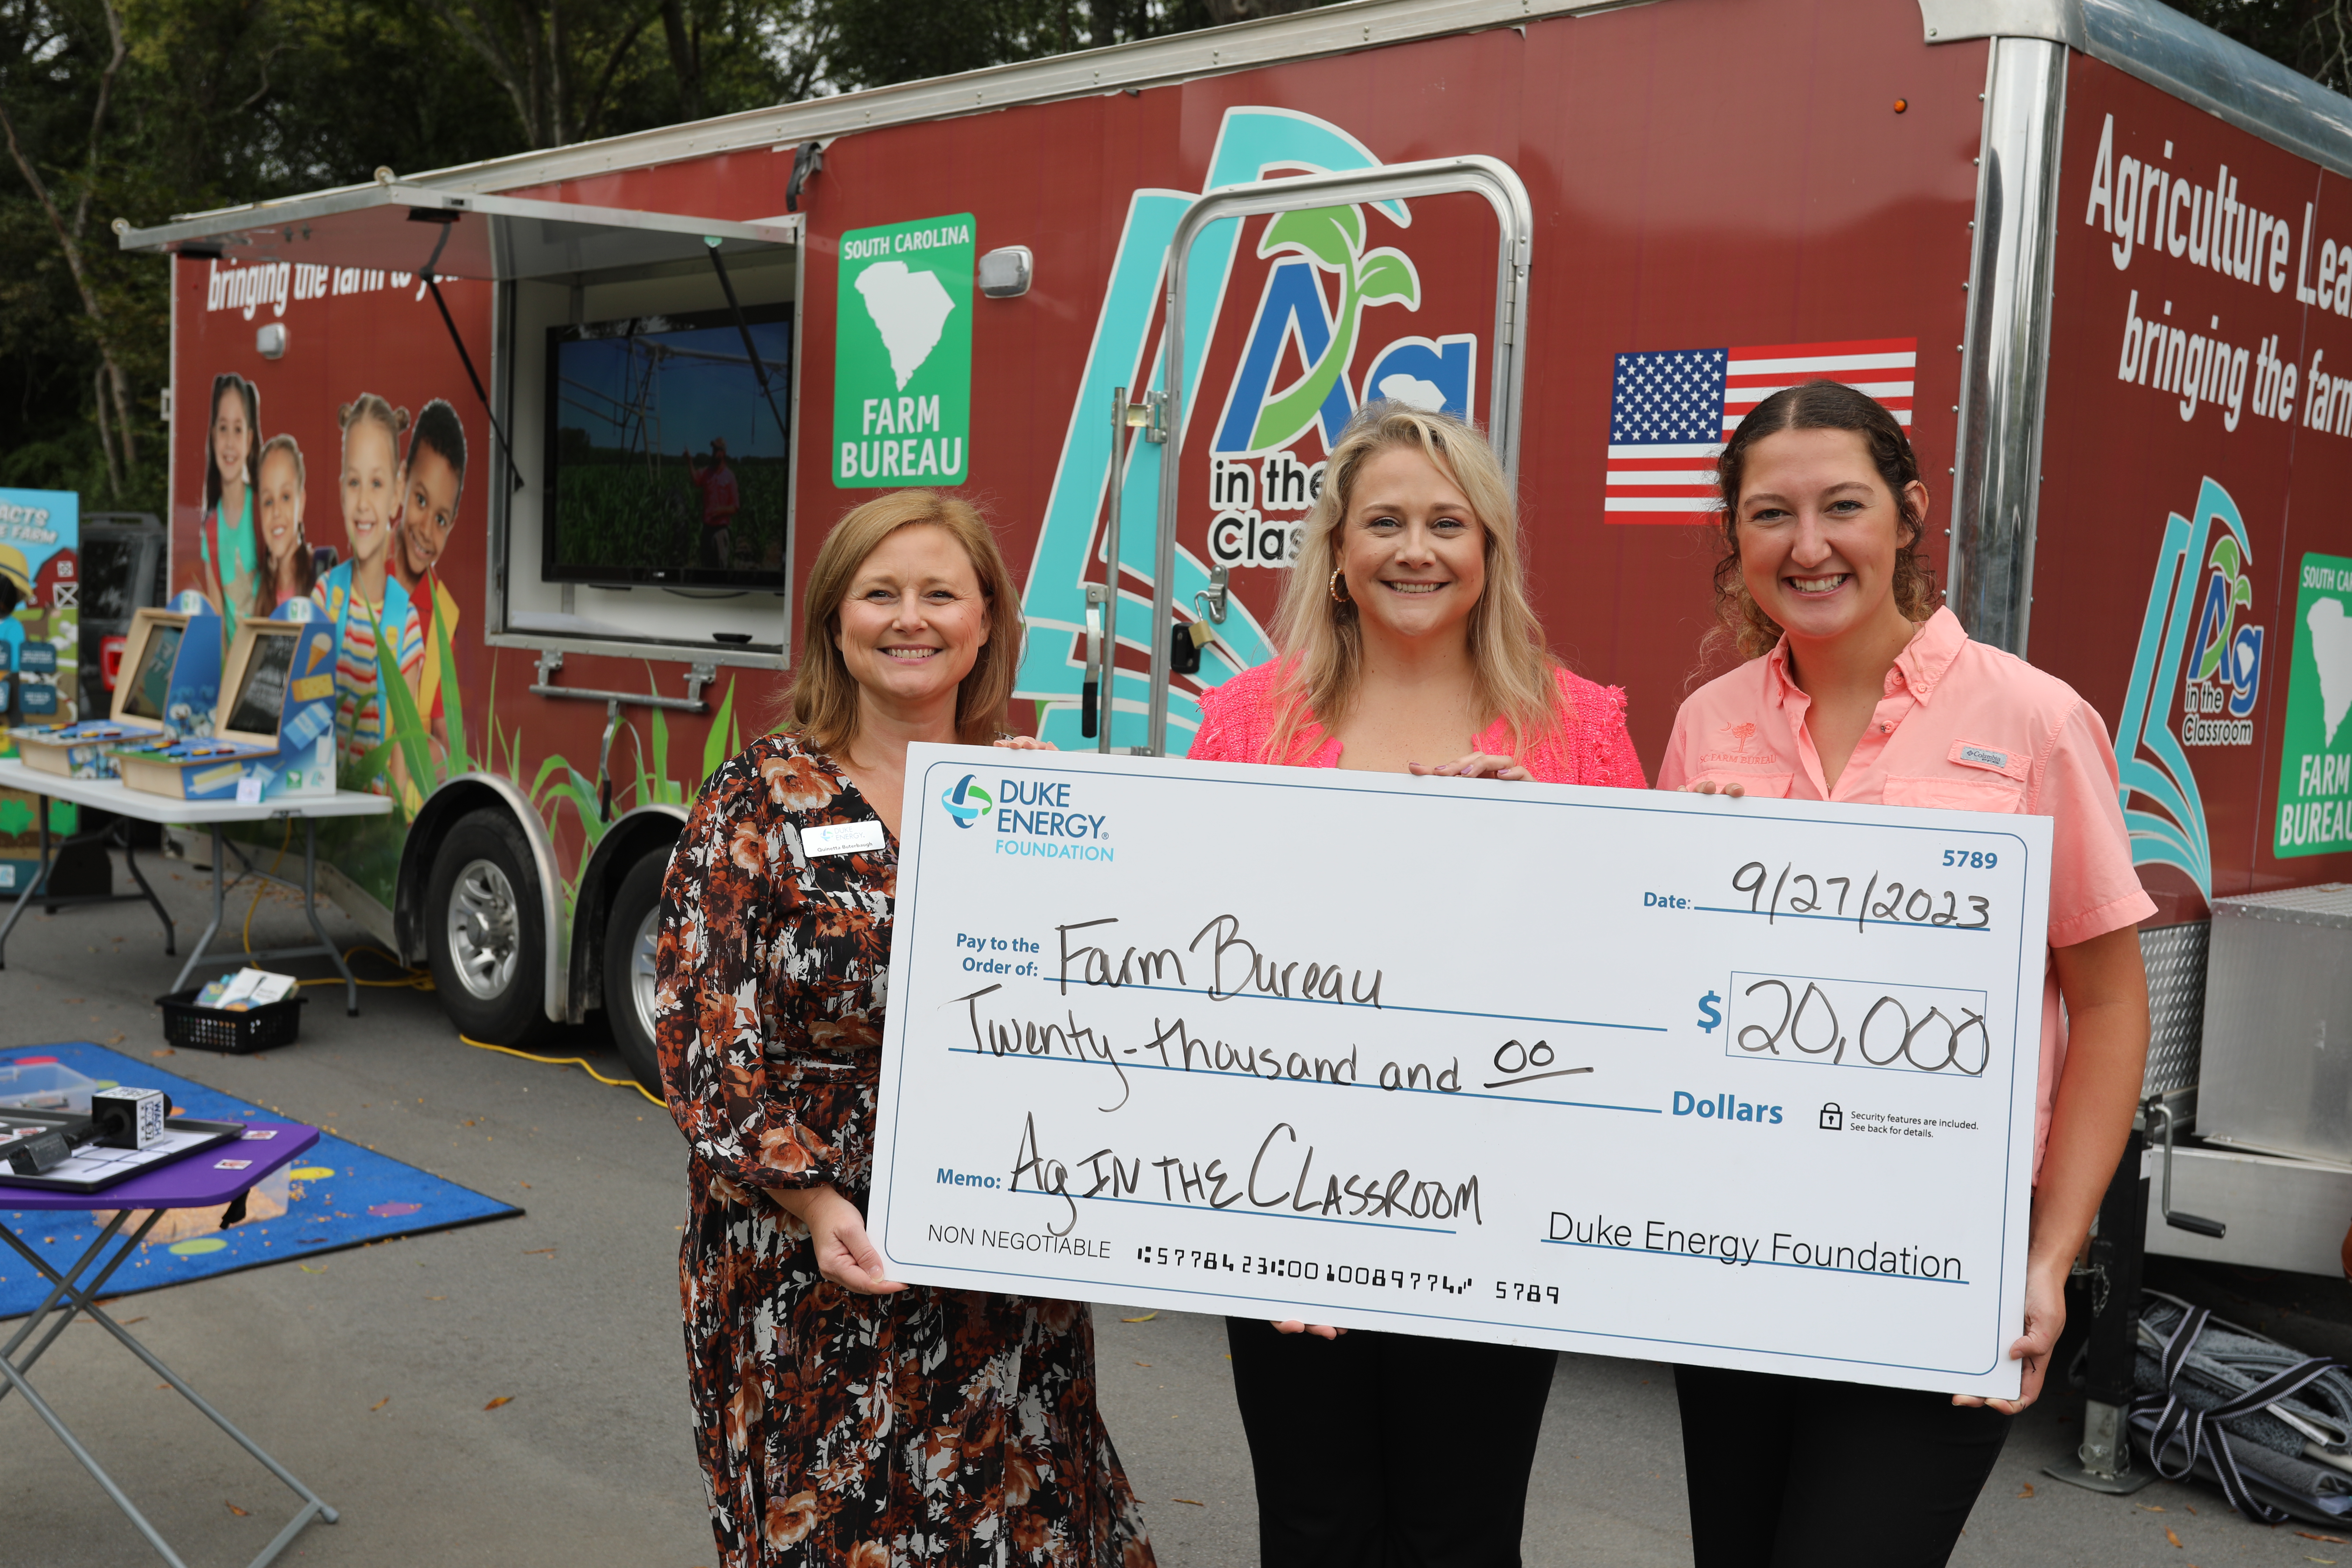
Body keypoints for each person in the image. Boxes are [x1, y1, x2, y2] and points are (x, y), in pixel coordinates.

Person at [1657, 380, 2152, 1567]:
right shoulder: (1709, 725)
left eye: (1843, 506)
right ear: (1736, 536)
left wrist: (2049, 1257)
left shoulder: (2033, 720)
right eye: (1771, 514)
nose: (1809, 545)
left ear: (1909, 515)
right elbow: (1667, 988)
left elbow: (2109, 1002)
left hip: (1942, 1255)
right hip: (1734, 1246)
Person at [652, 489, 1156, 1568]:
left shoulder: (1033, 799)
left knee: (1016, 1526)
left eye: (939, 592)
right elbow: (701, 1028)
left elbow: (1136, 994)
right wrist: (811, 1195)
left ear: (985, 623)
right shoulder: (760, 796)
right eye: (879, 592)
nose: (909, 617)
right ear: (837, 618)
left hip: (999, 1266)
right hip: (809, 1257)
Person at [1184, 403, 1647, 1567]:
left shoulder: (1579, 726)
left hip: (1500, 1205)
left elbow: (1639, 958)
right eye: (1383, 522)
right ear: (1337, 554)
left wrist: (1534, 847)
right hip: (1287, 1192)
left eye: (1449, 523)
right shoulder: (1248, 722)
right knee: (1313, 1523)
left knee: (1464, 1534)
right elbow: (1187, 940)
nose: (1416, 549)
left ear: (1488, 551)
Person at [310, 395, 424, 796]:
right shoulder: (325, 598)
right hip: (322, 820)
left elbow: (404, 752)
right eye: (354, 483)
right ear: (342, 492)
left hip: (371, 835)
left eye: (376, 484)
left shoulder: (404, 623)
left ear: (397, 494)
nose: (363, 503)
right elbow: (304, 704)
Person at [390, 399, 468, 768]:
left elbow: (448, 744)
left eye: (441, 520)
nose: (426, 531)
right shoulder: (356, 578)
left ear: (452, 526)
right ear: (401, 482)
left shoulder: (443, 619)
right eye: (421, 500)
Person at [200, 372, 261, 643]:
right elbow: (219, 626)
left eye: (238, 430)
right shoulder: (211, 529)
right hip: (234, 674)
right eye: (223, 428)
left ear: (249, 441)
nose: (229, 443)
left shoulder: (263, 510)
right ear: (213, 436)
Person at [252, 434, 318, 613]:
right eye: (269, 502)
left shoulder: (322, 582)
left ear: (301, 504)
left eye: (286, 497)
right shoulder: (258, 594)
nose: (276, 512)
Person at [687, 436, 739, 570]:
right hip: (707, 530)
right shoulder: (707, 472)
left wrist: (720, 512)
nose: (714, 452)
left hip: (720, 532)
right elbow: (696, 481)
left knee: (721, 569)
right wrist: (690, 462)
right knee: (706, 568)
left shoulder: (730, 477)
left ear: (723, 453)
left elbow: (735, 507)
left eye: (717, 449)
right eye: (713, 449)